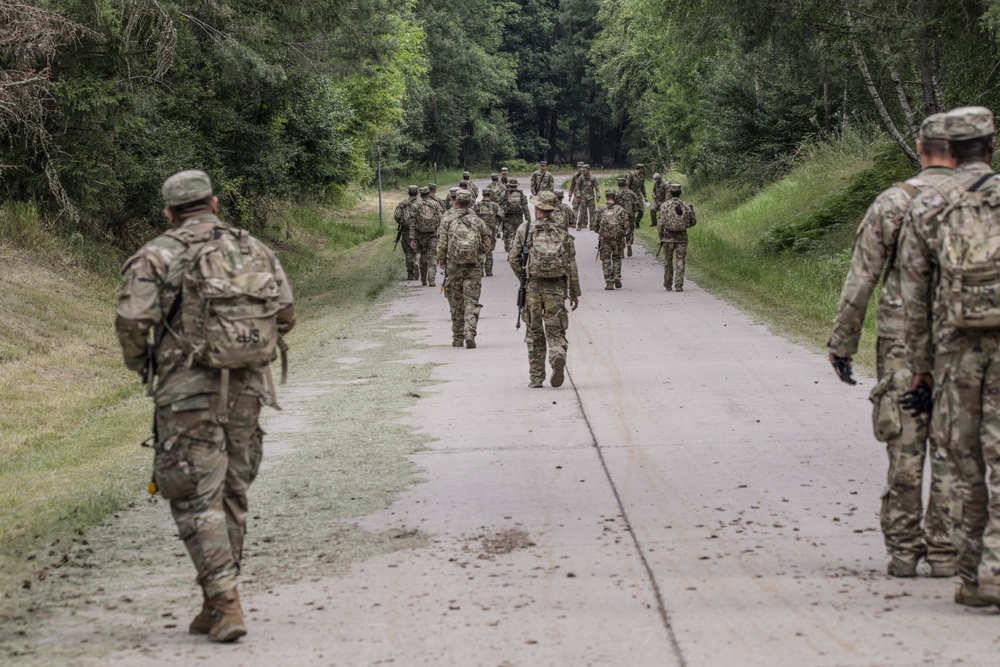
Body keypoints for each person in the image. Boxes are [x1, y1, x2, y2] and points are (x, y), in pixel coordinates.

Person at [115, 169, 295, 643]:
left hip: (186, 391)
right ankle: (214, 603)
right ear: (214, 204)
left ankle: (225, 600)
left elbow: (133, 321)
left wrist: (144, 366)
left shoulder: (156, 254)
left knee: (196, 495)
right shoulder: (254, 249)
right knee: (233, 491)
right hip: (248, 388)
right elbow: (287, 315)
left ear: (170, 213)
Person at [828, 113, 957, 578]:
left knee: (905, 440)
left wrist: (843, 342)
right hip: (966, 340)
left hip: (902, 338)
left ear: (920, 149)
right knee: (953, 446)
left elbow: (862, 277)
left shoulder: (893, 202)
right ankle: (946, 550)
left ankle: (904, 550)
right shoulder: (981, 202)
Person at [898, 106, 1000, 606]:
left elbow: (913, 295)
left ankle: (974, 571)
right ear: (991, 147)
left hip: (955, 349)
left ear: (950, 152)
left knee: (963, 460)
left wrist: (920, 367)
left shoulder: (930, 205)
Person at [507, 191, 581, 388]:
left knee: (534, 332)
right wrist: (574, 291)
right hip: (556, 288)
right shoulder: (561, 230)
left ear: (537, 208)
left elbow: (513, 258)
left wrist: (524, 278)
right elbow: (571, 263)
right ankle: (557, 354)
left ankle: (536, 377)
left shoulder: (526, 228)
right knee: (555, 330)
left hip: (532, 288)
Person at [437, 189, 492, 348]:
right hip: (473, 267)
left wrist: (442, 258)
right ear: (469, 203)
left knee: (456, 300)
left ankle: (457, 336)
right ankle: (470, 333)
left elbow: (442, 242)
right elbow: (487, 244)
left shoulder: (447, 219)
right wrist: (479, 253)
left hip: (454, 266)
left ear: (455, 201)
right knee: (472, 300)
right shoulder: (477, 221)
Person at [658, 184, 696, 291]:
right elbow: (693, 222)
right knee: (680, 260)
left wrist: (661, 236)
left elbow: (660, 223)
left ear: (670, 193)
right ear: (680, 193)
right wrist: (683, 226)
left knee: (668, 261)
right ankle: (679, 285)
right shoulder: (685, 206)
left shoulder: (664, 206)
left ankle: (668, 283)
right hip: (682, 238)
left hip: (668, 238)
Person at [594, 189, 629, 290]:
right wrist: (626, 236)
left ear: (606, 197)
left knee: (606, 260)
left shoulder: (600, 209)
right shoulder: (621, 210)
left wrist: (600, 232)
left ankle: (609, 282)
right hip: (617, 239)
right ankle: (617, 275)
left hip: (604, 239)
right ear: (615, 197)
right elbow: (626, 226)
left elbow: (595, 225)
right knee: (617, 257)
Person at [411, 186, 443, 286]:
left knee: (423, 257)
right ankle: (432, 278)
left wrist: (412, 238)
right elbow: (441, 219)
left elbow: (412, 222)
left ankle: (423, 279)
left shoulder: (416, 205)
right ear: (429, 193)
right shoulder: (435, 204)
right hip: (433, 235)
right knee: (432, 256)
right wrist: (440, 234)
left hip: (420, 235)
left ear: (420, 194)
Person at [473, 187, 503, 276]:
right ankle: (489, 271)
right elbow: (501, 216)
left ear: (482, 195)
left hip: (479, 230)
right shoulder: (495, 205)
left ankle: (480, 271)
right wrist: (497, 224)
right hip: (491, 231)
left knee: (480, 250)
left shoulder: (477, 205)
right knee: (489, 250)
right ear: (490, 195)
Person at [393, 185, 419, 280]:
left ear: (409, 193)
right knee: (418, 250)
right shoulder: (419, 204)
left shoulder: (403, 204)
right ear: (417, 193)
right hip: (417, 231)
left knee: (408, 252)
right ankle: (417, 261)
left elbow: (397, 215)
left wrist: (401, 222)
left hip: (405, 231)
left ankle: (410, 274)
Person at [502, 178, 530, 252]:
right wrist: (528, 219)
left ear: (509, 185)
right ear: (516, 186)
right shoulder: (521, 194)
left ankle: (508, 249)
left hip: (508, 217)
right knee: (517, 233)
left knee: (508, 233)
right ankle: (516, 248)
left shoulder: (505, 193)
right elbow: (525, 207)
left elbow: (500, 205)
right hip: (518, 216)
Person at [615, 177, 639, 257]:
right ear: (625, 183)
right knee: (630, 230)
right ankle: (629, 243)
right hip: (630, 214)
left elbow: (613, 204)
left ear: (618, 184)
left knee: (620, 232)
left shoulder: (617, 193)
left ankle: (621, 251)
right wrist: (634, 211)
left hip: (620, 215)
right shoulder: (631, 192)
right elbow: (637, 202)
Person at [573, 164, 601, 231]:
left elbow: (597, 188)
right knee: (582, 212)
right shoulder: (581, 178)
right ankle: (579, 225)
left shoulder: (593, 178)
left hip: (591, 198)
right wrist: (578, 196)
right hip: (583, 198)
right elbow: (577, 187)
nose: (583, 171)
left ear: (588, 170)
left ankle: (592, 225)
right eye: (582, 170)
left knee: (592, 212)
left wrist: (598, 196)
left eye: (584, 170)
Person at [624, 163, 648, 228]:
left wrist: (645, 196)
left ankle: (637, 222)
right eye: (642, 169)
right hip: (632, 196)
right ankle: (633, 224)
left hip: (639, 196)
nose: (643, 170)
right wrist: (628, 195)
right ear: (640, 169)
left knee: (641, 210)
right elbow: (627, 186)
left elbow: (642, 187)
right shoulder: (631, 175)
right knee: (632, 211)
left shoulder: (641, 176)